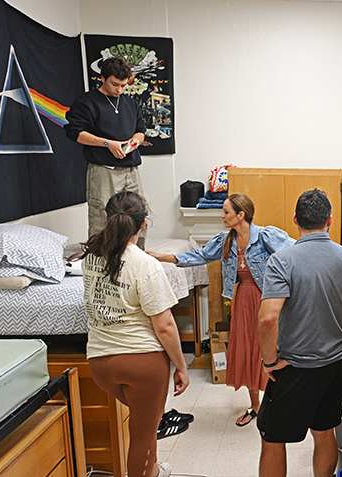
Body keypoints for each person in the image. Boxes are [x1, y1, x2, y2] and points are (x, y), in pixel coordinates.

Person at [256, 189, 342, 477]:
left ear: (296, 220)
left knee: (273, 438)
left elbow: (267, 319)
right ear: (330, 220)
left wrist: (270, 361)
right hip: (336, 363)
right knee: (324, 431)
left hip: (296, 367)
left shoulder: (283, 260)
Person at [147, 193, 294, 427]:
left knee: (274, 350)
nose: (222, 215)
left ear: (241, 215)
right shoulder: (225, 241)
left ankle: (281, 404)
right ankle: (256, 406)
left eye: (226, 211)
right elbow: (199, 256)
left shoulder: (266, 236)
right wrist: (161, 257)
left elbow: (295, 252)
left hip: (269, 299)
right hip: (244, 300)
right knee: (248, 351)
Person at [82, 191, 189, 477]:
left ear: (108, 220)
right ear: (143, 225)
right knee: (143, 432)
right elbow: (164, 326)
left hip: (100, 364)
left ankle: (153, 471)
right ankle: (146, 472)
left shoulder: (90, 257)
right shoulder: (146, 264)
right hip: (141, 363)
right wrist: (181, 366)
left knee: (147, 422)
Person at [65, 57, 148, 243]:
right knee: (102, 218)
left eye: (124, 85)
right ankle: (99, 264)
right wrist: (107, 143)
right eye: (115, 84)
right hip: (103, 170)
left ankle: (138, 261)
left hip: (131, 170)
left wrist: (136, 140)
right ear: (102, 78)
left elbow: (141, 130)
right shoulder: (86, 102)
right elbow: (74, 133)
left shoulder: (130, 103)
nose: (119, 90)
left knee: (140, 216)